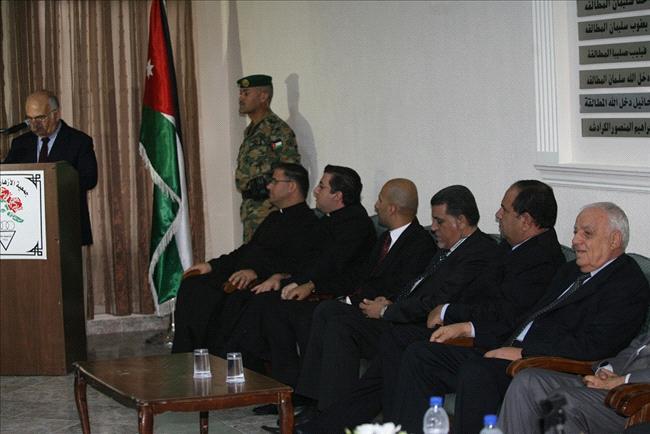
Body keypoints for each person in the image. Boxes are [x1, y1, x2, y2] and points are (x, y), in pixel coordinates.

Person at [294, 181, 565, 433]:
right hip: (447, 324)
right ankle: (337, 420)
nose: (497, 215)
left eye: (504, 210)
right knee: (356, 326)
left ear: (526, 220)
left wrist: (449, 316)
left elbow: (499, 311)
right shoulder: (509, 249)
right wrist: (393, 305)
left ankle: (368, 423)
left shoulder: (532, 258)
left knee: (402, 345)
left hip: (476, 337)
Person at [389, 202, 649, 434]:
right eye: (575, 231)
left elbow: (595, 345)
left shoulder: (627, 284)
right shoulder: (571, 271)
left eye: (586, 234)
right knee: (422, 355)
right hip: (507, 346)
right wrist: (472, 330)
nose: (575, 240)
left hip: (545, 363)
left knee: (477, 373)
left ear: (614, 240)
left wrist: (524, 353)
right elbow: (524, 316)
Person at [259, 179, 439, 431]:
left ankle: (329, 413)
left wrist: (363, 303)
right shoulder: (385, 239)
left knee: (338, 321)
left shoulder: (419, 243)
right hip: (365, 308)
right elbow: (361, 278)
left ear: (392, 208)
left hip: (387, 319)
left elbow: (401, 289)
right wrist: (328, 291)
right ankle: (313, 402)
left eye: (380, 201)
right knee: (324, 310)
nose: (375, 206)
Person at [212, 165, 377, 369]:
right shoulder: (330, 220)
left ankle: (240, 369)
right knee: (247, 296)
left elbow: (330, 265)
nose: (315, 191)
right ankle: (232, 364)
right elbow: (304, 259)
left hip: (331, 292)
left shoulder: (355, 224)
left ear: (338, 196)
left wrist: (299, 282)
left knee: (267, 304)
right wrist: (280, 276)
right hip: (310, 284)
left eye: (322, 187)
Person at [171, 163, 321, 353]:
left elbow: (295, 262)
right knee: (194, 285)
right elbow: (246, 251)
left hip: (262, 282)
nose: (268, 186)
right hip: (241, 275)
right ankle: (186, 356)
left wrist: (256, 272)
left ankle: (219, 359)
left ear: (291, 186)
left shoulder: (308, 223)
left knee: (229, 301)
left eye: (274, 181)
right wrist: (211, 266)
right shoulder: (274, 218)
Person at [499, 331, 649, 434]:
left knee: (563, 400)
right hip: (616, 384)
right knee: (528, 380)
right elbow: (633, 352)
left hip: (638, 399)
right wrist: (605, 371)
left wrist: (622, 381)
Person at [3, 90, 98, 245]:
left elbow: (90, 179)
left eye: (40, 118)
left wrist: (53, 182)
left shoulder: (79, 141)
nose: (34, 125)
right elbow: (7, 178)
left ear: (56, 114)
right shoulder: (20, 143)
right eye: (30, 119)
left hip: (65, 225)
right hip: (27, 227)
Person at [235, 74, 300, 242]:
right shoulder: (251, 130)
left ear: (263, 96)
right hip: (251, 209)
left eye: (246, 93)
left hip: (269, 210)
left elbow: (291, 169)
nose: (241, 98)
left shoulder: (277, 130)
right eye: (240, 93)